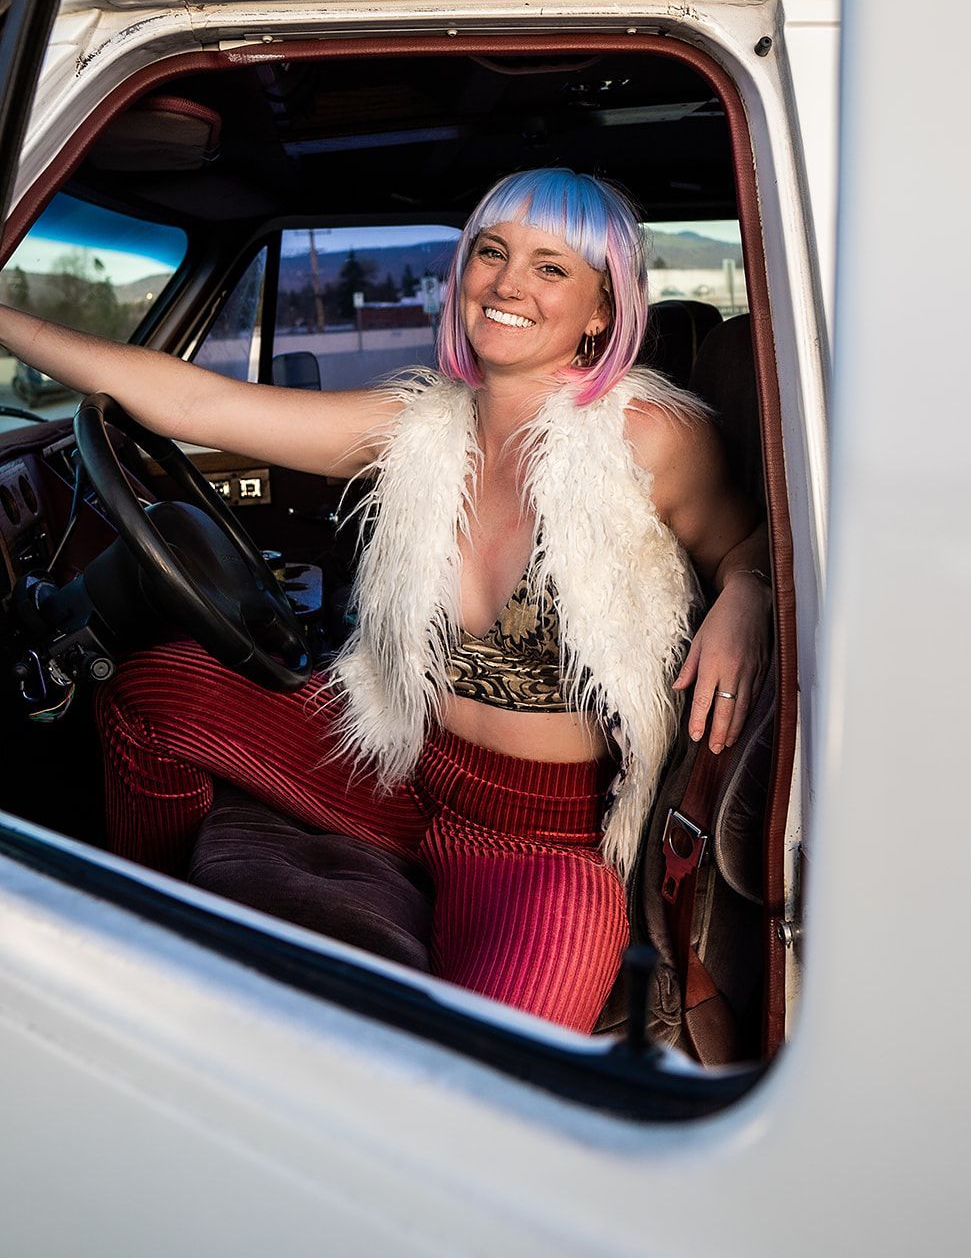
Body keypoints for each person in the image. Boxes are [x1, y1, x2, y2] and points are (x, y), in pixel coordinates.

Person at [0, 168, 771, 1033]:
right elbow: (196, 402)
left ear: (602, 307)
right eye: (490, 252)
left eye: (550, 267)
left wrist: (743, 592)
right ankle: (152, 936)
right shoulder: (418, 428)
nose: (507, 283)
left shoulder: (651, 437)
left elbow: (747, 545)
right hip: (400, 771)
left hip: (545, 842)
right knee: (151, 689)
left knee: (487, 1075)